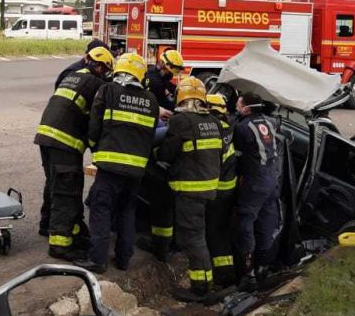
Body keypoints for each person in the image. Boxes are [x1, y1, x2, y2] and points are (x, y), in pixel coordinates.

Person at [78, 52, 158, 274]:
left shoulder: (108, 90)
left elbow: (95, 124)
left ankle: (97, 260)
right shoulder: (151, 100)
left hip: (110, 165)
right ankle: (123, 259)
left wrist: (95, 146)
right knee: (126, 211)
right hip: (136, 169)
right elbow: (150, 134)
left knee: (101, 209)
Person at [34, 45, 114, 258]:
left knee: (55, 183)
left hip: (46, 137)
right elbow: (97, 119)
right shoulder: (96, 84)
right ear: (102, 68)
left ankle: (49, 225)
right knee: (67, 192)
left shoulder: (73, 74)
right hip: (65, 142)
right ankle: (60, 245)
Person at [154, 76, 223, 301]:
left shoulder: (181, 120)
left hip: (189, 189)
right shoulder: (213, 121)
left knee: (192, 238)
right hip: (209, 188)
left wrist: (157, 153)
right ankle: (204, 281)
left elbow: (167, 152)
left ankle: (200, 288)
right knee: (199, 235)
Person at [232, 91, 282, 291]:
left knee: (245, 224)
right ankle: (264, 268)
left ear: (246, 107)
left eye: (238, 103)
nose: (236, 106)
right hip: (271, 179)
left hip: (255, 181)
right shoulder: (270, 123)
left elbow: (236, 155)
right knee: (266, 223)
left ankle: (248, 275)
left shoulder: (243, 128)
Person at [205, 92, 238, 288]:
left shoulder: (215, 131)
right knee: (221, 232)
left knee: (214, 233)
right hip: (228, 188)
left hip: (218, 191)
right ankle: (226, 272)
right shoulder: (228, 128)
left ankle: (222, 277)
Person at [145, 48, 185, 119]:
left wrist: (180, 89)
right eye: (170, 72)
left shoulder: (154, 71)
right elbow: (166, 104)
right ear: (164, 65)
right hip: (151, 115)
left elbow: (167, 84)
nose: (171, 75)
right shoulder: (156, 82)